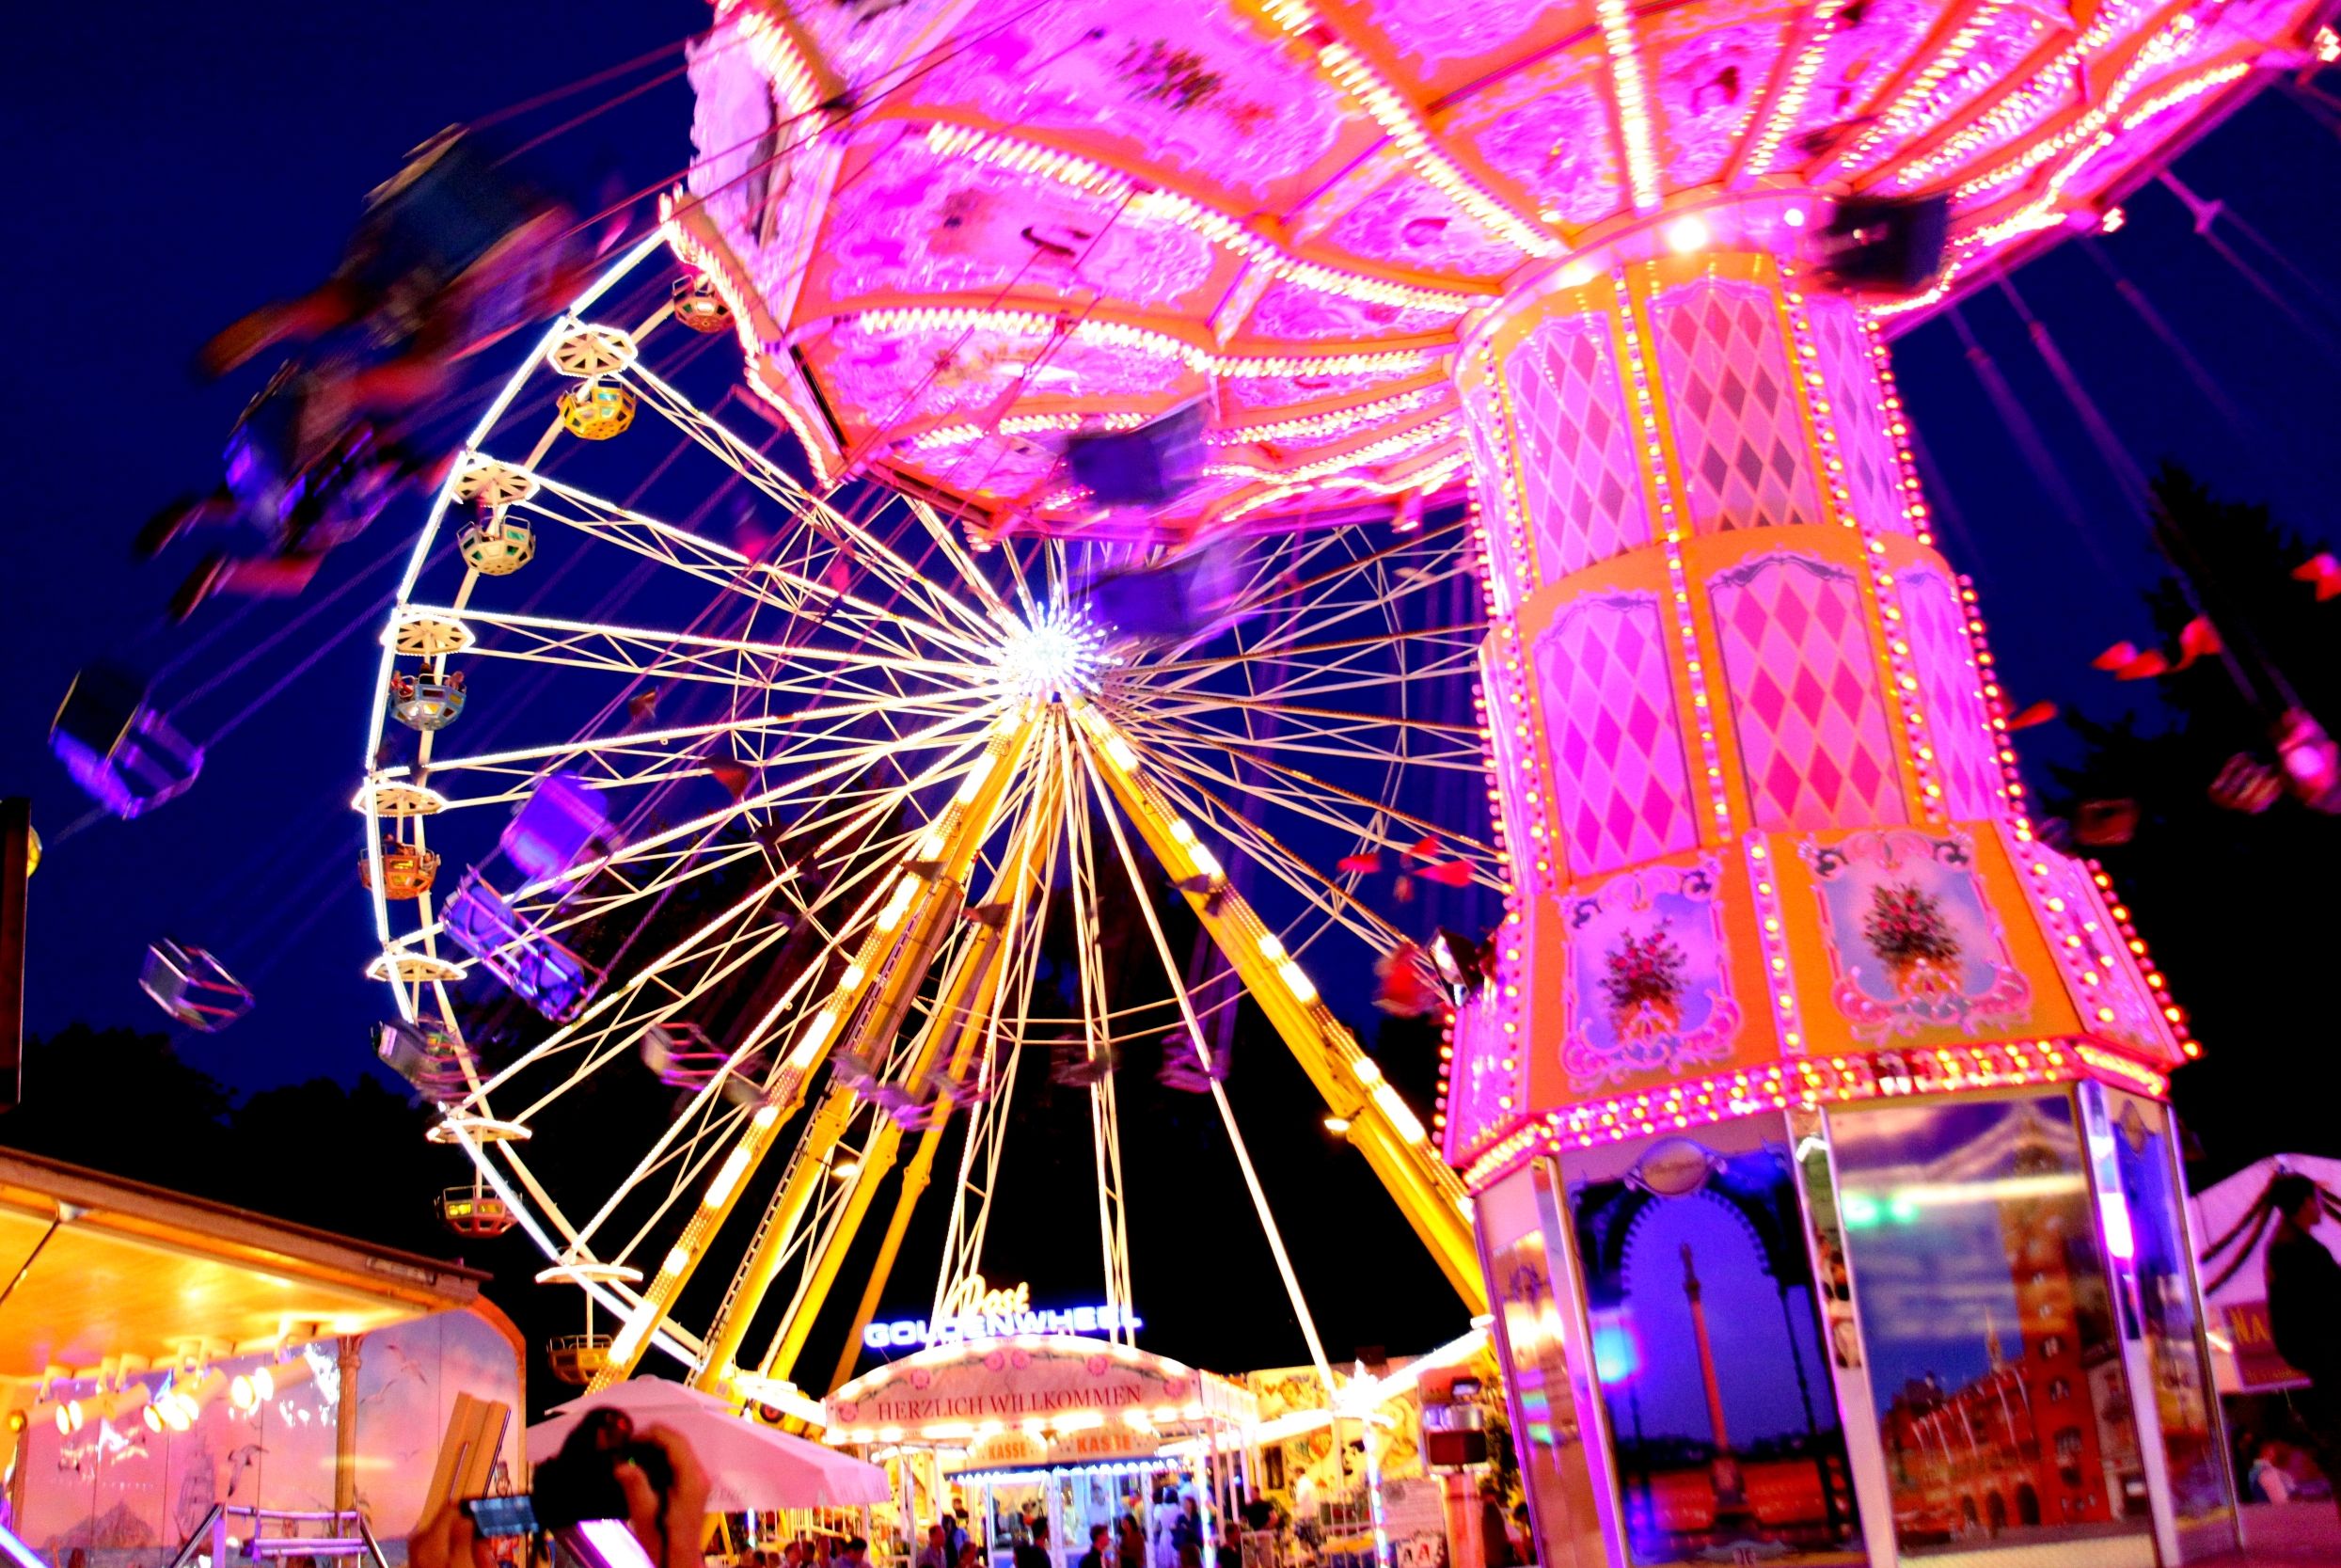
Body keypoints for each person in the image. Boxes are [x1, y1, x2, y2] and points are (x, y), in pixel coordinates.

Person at [2264, 1171, 2341, 1523]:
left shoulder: (2283, 1250)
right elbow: (2329, 1306)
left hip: (2322, 1364)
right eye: (2316, 1197)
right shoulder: (2301, 1253)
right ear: (2306, 1203)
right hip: (2332, 1362)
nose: (2321, 1204)